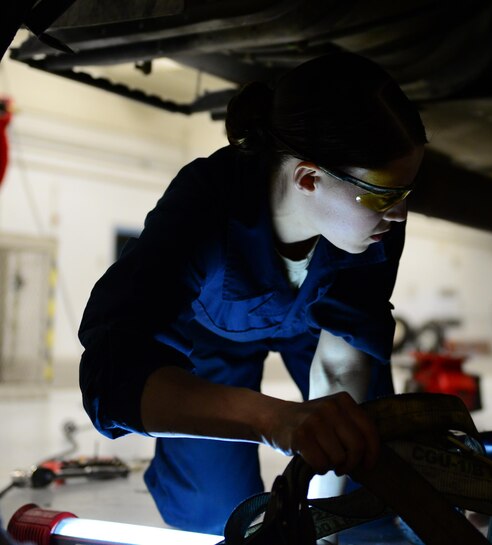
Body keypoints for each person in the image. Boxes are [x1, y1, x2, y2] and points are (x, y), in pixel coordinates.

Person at [78, 52, 426, 537]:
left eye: (409, 192)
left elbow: (339, 363)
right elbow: (115, 375)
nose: (401, 214)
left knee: (363, 495)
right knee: (211, 510)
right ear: (309, 178)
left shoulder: (372, 225)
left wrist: (324, 521)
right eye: (387, 194)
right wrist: (273, 419)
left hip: (312, 326)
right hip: (212, 334)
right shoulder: (206, 201)